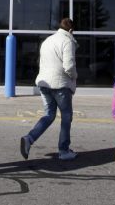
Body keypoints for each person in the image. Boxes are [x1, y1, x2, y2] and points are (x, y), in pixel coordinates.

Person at [20, 18, 79, 161]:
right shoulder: (67, 41)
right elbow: (69, 66)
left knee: (49, 115)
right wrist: (74, 77)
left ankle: (29, 138)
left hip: (44, 83)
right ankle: (64, 150)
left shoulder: (47, 41)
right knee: (66, 117)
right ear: (70, 30)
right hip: (60, 84)